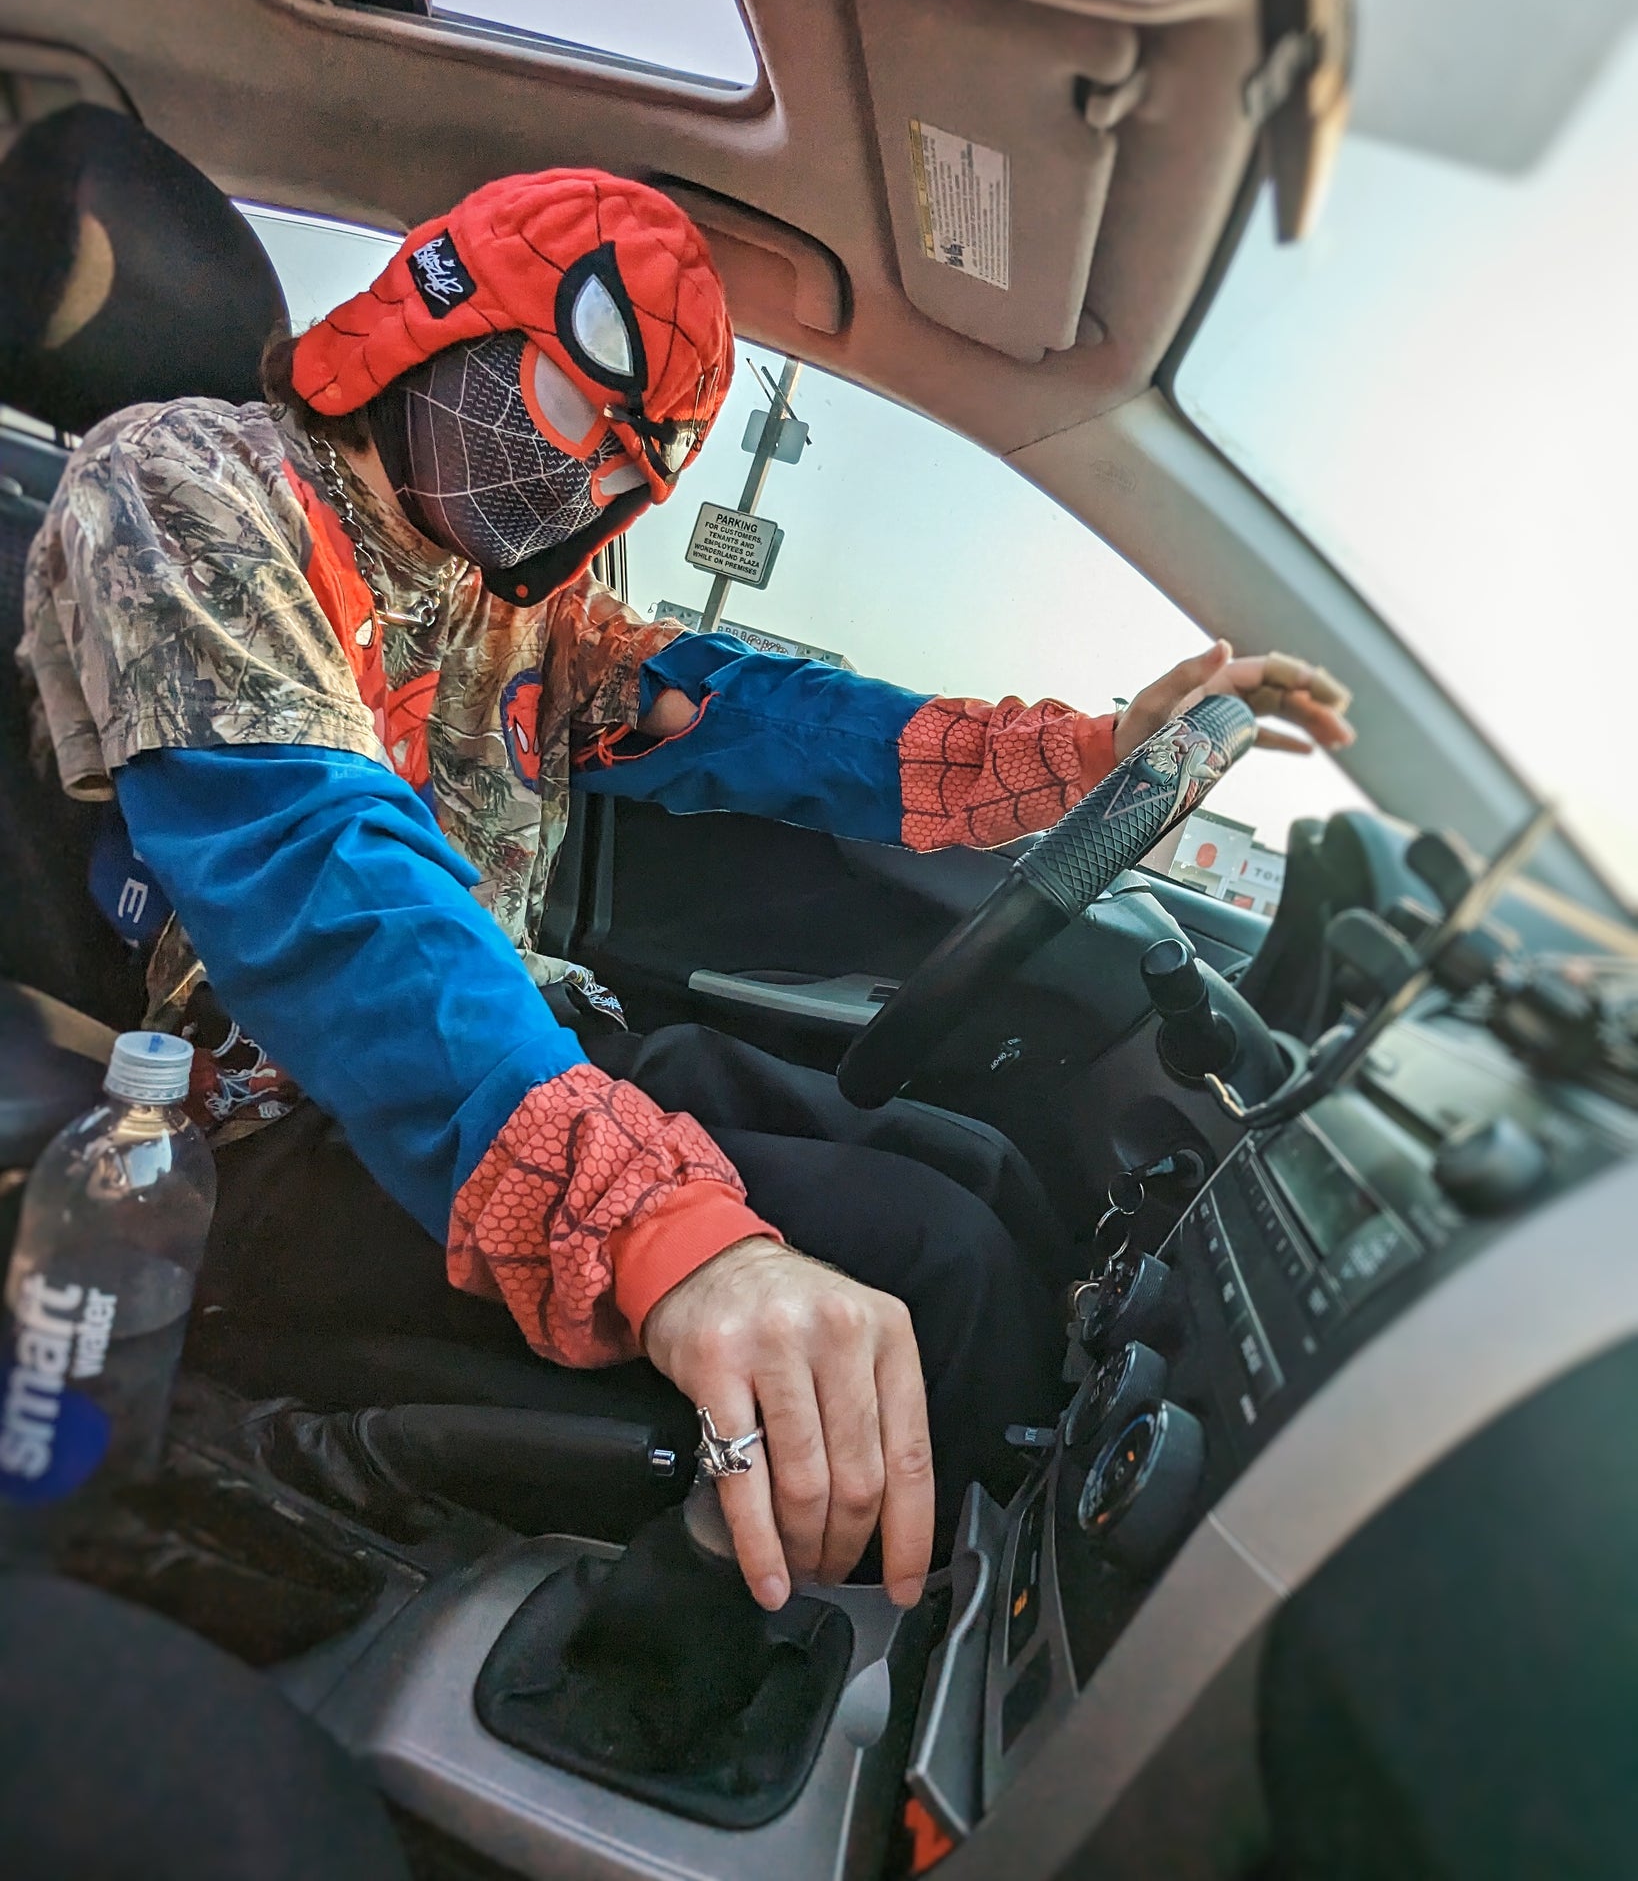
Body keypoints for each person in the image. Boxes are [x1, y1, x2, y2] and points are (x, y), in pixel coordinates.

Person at [18, 167, 1353, 1613]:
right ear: (445, 310)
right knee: (935, 1261)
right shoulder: (182, 488)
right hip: (271, 1125)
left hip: (502, 1057)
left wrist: (1088, 754)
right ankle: (940, 1670)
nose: (581, 480)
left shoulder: (508, 609)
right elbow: (319, 869)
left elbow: (771, 722)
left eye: (626, 467)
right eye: (573, 412)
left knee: (969, 1171)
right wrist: (664, 1237)